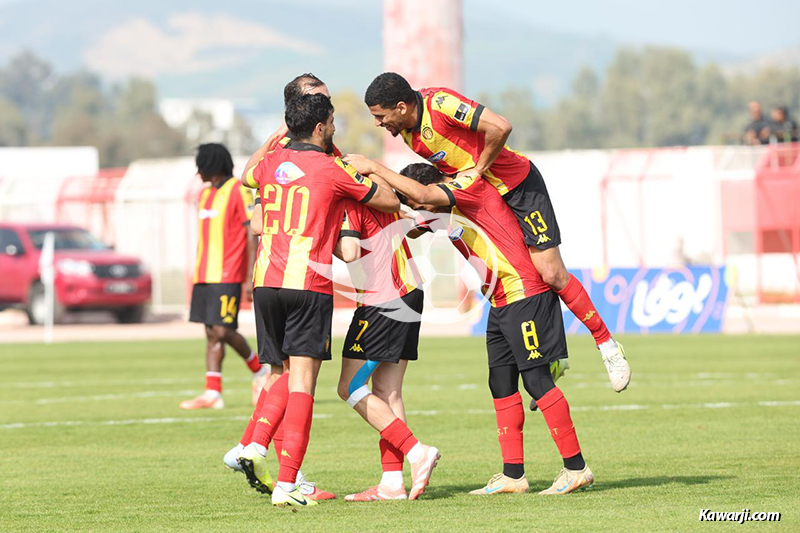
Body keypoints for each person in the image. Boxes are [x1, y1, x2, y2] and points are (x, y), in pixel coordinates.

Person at [362, 73, 630, 396]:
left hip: (519, 187)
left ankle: (607, 345)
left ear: (401, 107)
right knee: (519, 275)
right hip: (484, 197)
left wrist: (478, 168)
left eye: (380, 116)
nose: (378, 123)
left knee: (551, 273)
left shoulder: (440, 104)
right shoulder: (407, 134)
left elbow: (500, 126)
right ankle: (553, 354)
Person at [343, 154, 594, 495]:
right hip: (500, 299)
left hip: (523, 292)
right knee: (500, 383)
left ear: (430, 193)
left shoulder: (464, 200)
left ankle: (575, 467)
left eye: (416, 200)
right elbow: (417, 221)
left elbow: (418, 216)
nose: (413, 211)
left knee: (535, 381)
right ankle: (513, 475)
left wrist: (373, 175)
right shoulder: (443, 215)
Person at [234, 93, 425, 509]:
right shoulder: (332, 169)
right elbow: (389, 201)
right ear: (321, 127)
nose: (335, 127)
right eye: (333, 121)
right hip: (308, 283)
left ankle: (253, 443)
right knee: (307, 382)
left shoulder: (269, 162)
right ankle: (288, 482)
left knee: (279, 371)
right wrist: (364, 182)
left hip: (265, 282)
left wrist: (272, 141)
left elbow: (248, 179)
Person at [333, 200, 435, 501]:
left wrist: (319, 240)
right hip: (409, 290)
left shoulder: (347, 199)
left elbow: (349, 252)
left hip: (383, 299)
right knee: (388, 393)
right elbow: (419, 223)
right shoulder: (378, 196)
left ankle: (417, 451)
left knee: (349, 387)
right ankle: (392, 483)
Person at [180, 143, 266, 410]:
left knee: (223, 329)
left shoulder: (239, 190)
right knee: (211, 332)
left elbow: (251, 233)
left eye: (201, 168)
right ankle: (212, 393)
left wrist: (249, 274)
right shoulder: (206, 195)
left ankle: (259, 370)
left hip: (228, 273)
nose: (199, 173)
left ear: (213, 167)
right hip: (204, 273)